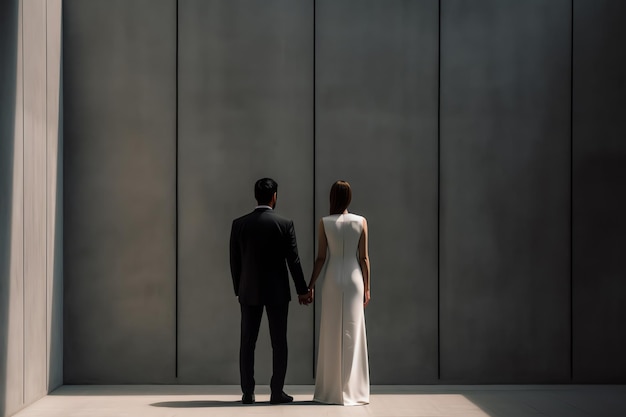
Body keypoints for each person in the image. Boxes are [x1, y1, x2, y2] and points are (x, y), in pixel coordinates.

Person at [229, 178, 312, 405]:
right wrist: (302, 290)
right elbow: (293, 261)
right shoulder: (284, 224)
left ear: (256, 195)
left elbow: (234, 262)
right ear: (274, 195)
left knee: (247, 342)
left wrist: (239, 289)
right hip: (277, 292)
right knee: (279, 343)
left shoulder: (239, 224)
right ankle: (277, 392)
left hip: (248, 292)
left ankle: (248, 393)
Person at [307, 180, 371, 405]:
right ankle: (354, 390)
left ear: (332, 197)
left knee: (331, 330)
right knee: (354, 331)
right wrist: (368, 287)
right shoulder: (361, 221)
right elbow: (363, 258)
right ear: (349, 198)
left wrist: (310, 284)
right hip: (354, 279)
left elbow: (321, 258)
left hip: (333, 278)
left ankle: (331, 391)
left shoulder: (325, 222)